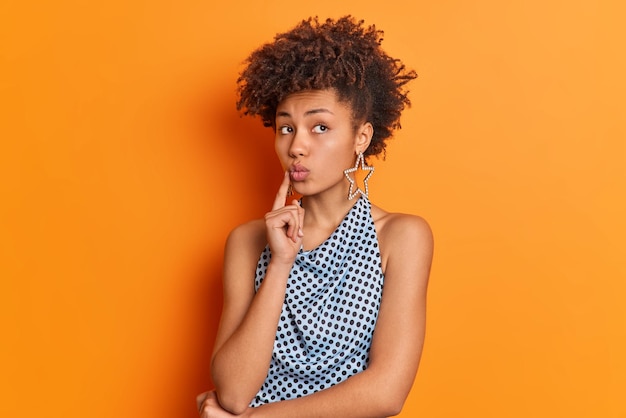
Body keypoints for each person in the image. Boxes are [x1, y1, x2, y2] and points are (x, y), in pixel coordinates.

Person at [197, 16, 433, 418]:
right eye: (286, 128)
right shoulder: (248, 242)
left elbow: (387, 392)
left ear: (362, 137)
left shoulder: (400, 237)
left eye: (319, 126)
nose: (297, 147)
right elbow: (234, 392)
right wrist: (281, 263)